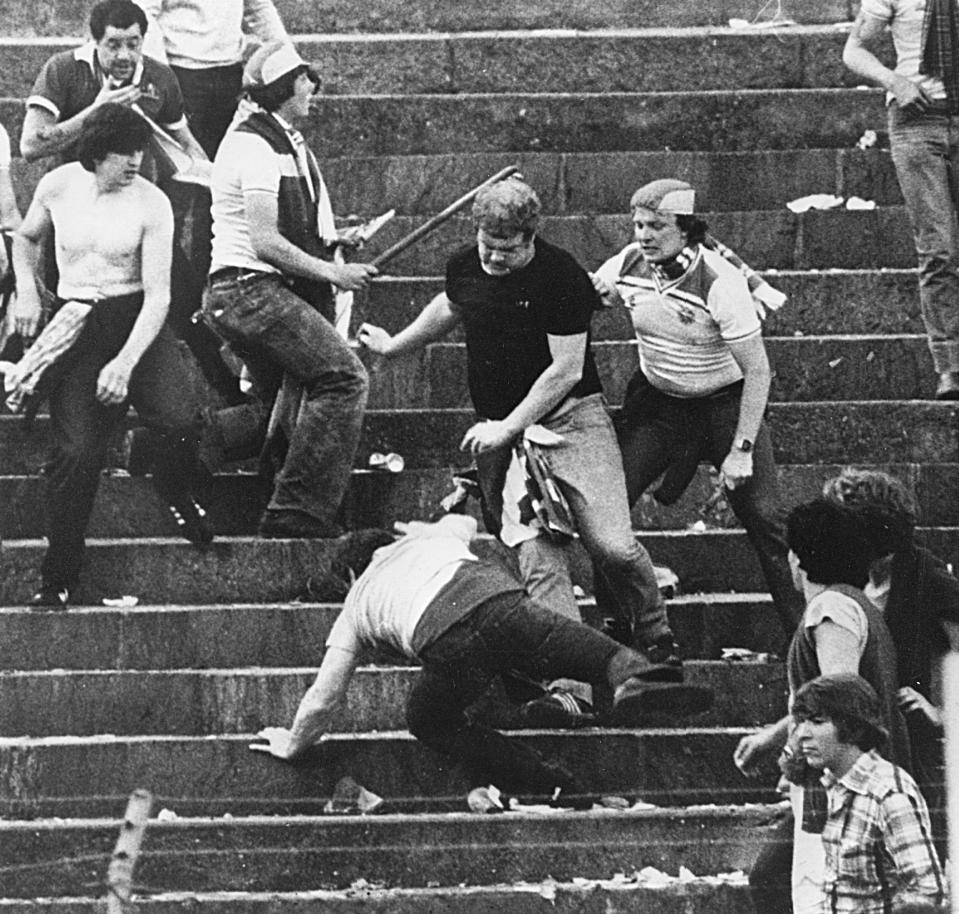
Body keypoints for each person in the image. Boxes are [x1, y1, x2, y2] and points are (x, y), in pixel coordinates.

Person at [358, 177, 680, 722]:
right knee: (539, 560)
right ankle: (571, 691)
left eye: (507, 248)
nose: (494, 257)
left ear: (531, 238)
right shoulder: (466, 264)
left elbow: (565, 370)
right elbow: (449, 306)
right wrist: (394, 345)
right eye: (487, 244)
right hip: (502, 438)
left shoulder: (559, 275)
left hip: (570, 422)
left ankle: (655, 634)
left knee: (613, 548)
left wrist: (508, 427)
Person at [250, 514, 712, 803]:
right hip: (498, 600)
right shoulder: (430, 540)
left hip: (448, 643)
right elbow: (464, 524)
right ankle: (633, 675)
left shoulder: (357, 601)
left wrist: (293, 741)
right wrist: (421, 529)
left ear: (352, 573)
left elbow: (325, 696)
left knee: (429, 719)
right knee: (573, 645)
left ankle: (543, 775)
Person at [10, 103, 211, 609]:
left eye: (141, 152)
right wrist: (29, 294)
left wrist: (123, 364)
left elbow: (159, 296)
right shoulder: (57, 186)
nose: (135, 163)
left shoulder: (152, 202)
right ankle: (60, 573)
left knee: (179, 416)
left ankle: (172, 480)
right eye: (124, 154)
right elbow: (26, 237)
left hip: (137, 318)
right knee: (76, 453)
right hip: (79, 320)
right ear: (96, 154)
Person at [591, 178, 802, 644]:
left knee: (766, 517)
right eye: (638, 224)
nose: (644, 235)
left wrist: (742, 449)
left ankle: (804, 635)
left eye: (657, 226)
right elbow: (584, 298)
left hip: (725, 403)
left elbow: (759, 373)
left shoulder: (720, 282)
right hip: (661, 404)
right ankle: (617, 626)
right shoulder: (627, 262)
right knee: (605, 506)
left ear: (684, 229)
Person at [201, 41, 378, 539]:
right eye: (304, 80)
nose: (313, 89)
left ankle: (174, 443)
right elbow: (263, 242)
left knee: (279, 403)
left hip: (251, 289)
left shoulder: (283, 140)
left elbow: (283, 230)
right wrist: (336, 275)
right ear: (282, 89)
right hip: (246, 290)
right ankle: (297, 510)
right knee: (343, 377)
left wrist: (335, 238)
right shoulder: (255, 145)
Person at [733, 499, 911, 914]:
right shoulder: (853, 604)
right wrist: (776, 736)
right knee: (772, 877)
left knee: (815, 896)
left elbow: (838, 699)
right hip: (841, 782)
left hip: (842, 789)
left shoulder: (831, 609)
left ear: (798, 558)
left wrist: (794, 755)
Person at [823, 468, 959, 859]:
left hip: (912, 751)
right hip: (860, 745)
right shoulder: (845, 577)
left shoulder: (927, 577)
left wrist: (942, 713)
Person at [843, 2, 959, 399]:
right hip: (919, 120)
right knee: (938, 248)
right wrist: (895, 81)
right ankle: (950, 366)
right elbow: (854, 49)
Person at [791, 674, 944, 914]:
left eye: (817, 721)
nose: (802, 735)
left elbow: (926, 893)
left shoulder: (889, 794)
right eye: (801, 722)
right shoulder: (836, 784)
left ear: (852, 727)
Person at [20, 0, 207, 167]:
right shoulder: (63, 68)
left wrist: (212, 179)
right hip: (75, 184)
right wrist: (97, 111)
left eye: (133, 45)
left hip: (136, 189)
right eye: (114, 45)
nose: (124, 56)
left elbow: (186, 143)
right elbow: (30, 147)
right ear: (95, 41)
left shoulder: (160, 76)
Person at [135, 0, 290, 158]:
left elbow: (258, 6)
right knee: (191, 162)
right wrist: (163, 75)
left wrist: (286, 53)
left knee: (231, 162)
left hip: (231, 74)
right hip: (183, 74)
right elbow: (144, 13)